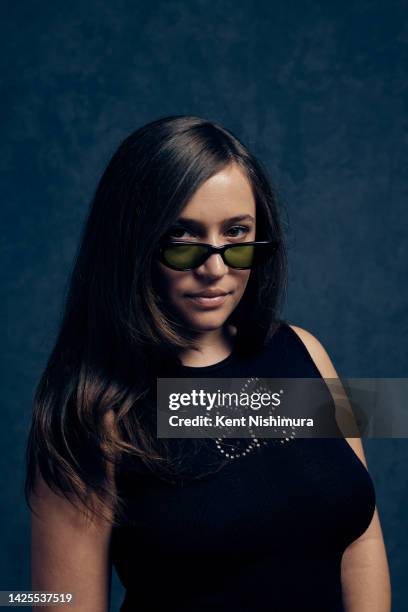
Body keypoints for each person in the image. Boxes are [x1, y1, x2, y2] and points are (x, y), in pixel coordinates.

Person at [25, 115, 391, 611]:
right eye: (183, 238)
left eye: (236, 234)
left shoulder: (304, 350)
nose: (214, 268)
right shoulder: (95, 410)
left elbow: (360, 539)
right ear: (133, 244)